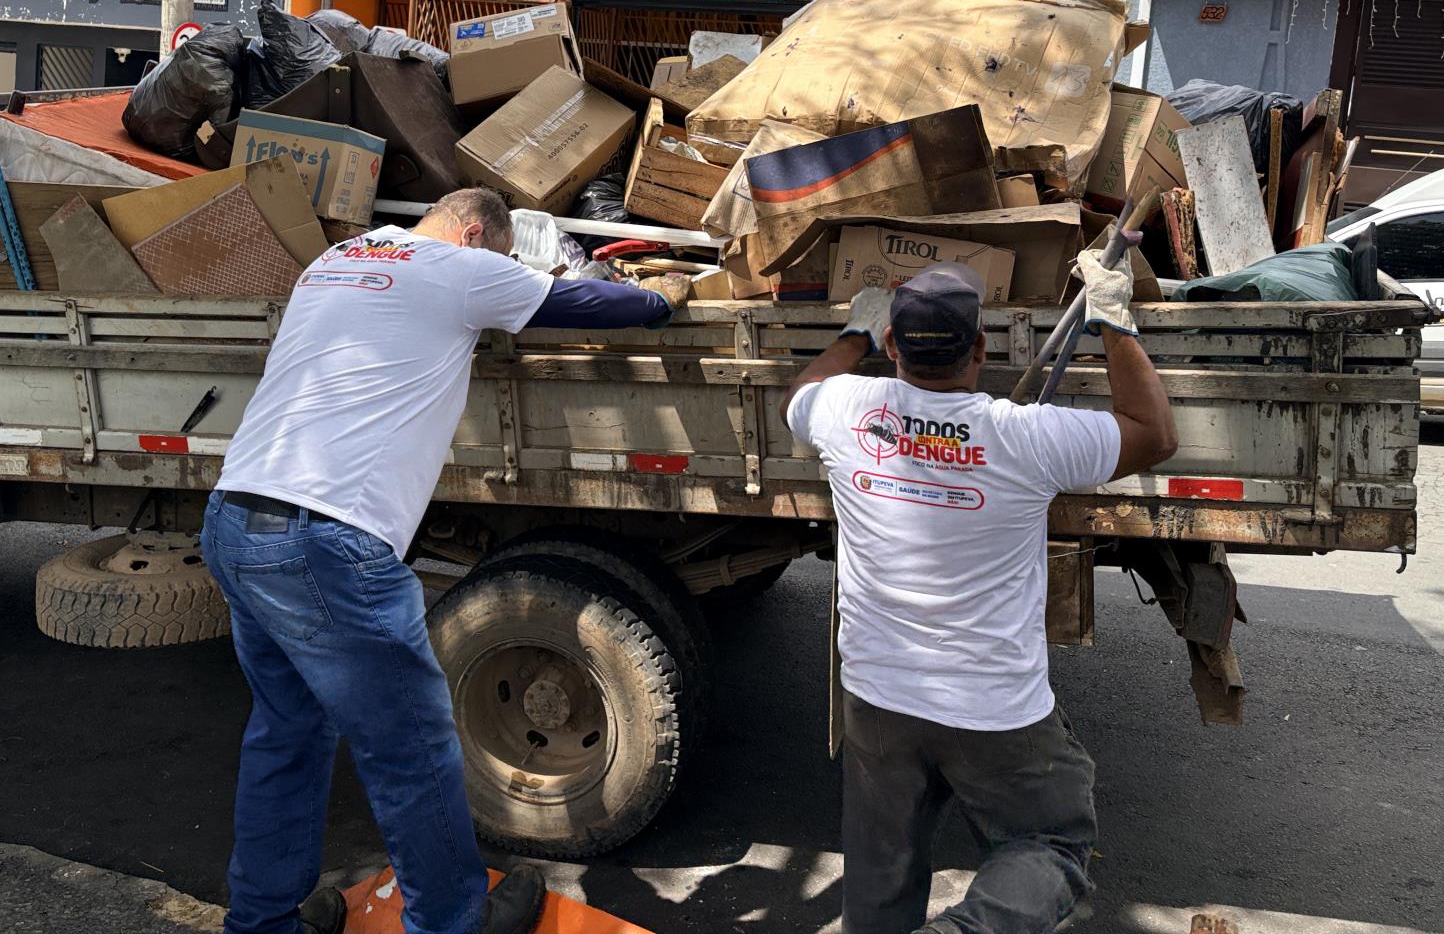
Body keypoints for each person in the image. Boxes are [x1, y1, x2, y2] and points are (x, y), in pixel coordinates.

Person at [201, 187, 686, 934]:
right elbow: (591, 306)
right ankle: (452, 921)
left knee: (287, 729)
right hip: (327, 542)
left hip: (237, 516)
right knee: (413, 750)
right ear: (471, 235)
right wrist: (661, 296)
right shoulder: (457, 266)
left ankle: (262, 920)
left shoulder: (339, 257)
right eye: (497, 259)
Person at [785, 255, 1178, 934]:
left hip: (877, 697)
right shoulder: (1025, 436)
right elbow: (1154, 435)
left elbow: (805, 391)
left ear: (890, 348)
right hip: (994, 711)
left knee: (879, 876)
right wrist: (1113, 319)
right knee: (1051, 843)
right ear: (980, 349)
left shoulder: (846, 410)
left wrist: (854, 329)